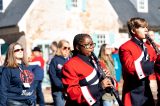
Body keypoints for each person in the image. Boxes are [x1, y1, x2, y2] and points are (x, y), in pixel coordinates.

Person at [62, 33, 114, 106]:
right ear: (77, 47)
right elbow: (73, 93)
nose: (92, 47)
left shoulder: (98, 62)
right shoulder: (70, 65)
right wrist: (100, 86)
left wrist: (109, 80)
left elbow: (112, 82)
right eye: (88, 45)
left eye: (92, 44)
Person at [119, 17, 157, 106]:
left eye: (146, 27)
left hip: (146, 91)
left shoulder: (148, 47)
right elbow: (130, 67)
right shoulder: (125, 47)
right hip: (133, 92)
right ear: (133, 30)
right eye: (142, 27)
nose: (146, 30)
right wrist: (154, 64)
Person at [49, 40, 71, 106]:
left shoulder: (71, 59)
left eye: (68, 48)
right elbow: (53, 76)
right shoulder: (54, 60)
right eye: (65, 48)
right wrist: (63, 87)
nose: (67, 50)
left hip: (71, 89)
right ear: (59, 48)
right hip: (59, 91)